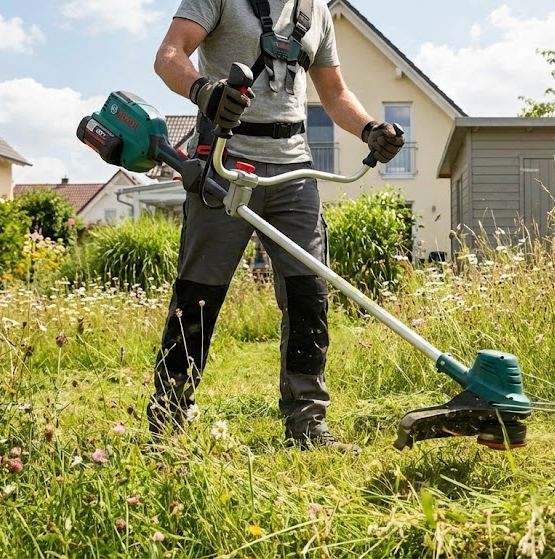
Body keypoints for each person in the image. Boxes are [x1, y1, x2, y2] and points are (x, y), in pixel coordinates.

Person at [147, 0, 404, 451]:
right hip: (226, 163)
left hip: (294, 169)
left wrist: (368, 129)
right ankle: (168, 418)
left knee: (310, 294)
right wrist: (203, 90)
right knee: (198, 295)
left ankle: (307, 423)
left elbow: (334, 92)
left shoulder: (317, 12)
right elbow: (169, 55)